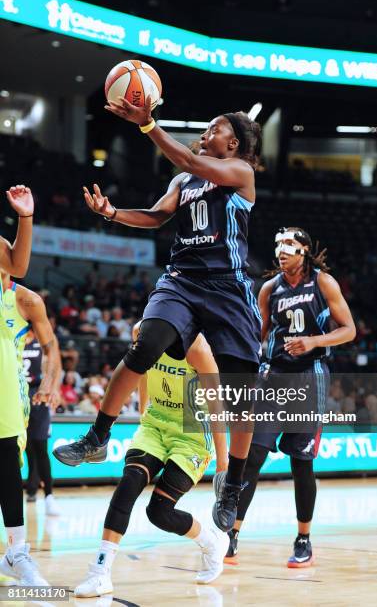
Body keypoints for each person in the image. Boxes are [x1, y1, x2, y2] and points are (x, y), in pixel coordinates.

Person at [54, 95, 263, 532]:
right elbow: (155, 217)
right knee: (146, 343)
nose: (207, 134)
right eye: (205, 128)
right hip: (182, 281)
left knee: (243, 392)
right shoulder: (183, 181)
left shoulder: (240, 173)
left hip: (228, 286)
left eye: (215, 129)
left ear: (235, 145)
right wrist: (112, 213)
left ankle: (233, 483)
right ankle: (97, 437)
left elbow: (192, 160)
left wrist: (149, 125)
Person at [225, 227, 356, 567]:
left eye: (289, 245)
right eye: (278, 245)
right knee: (252, 456)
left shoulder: (323, 282)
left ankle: (303, 538)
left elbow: (349, 329)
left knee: (301, 463)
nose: (281, 250)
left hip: (309, 376)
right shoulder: (269, 288)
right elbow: (259, 334)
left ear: (304, 251)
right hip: (274, 376)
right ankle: (232, 534)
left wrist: (313, 341)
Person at [74, 323, 228, 597]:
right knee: (128, 484)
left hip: (191, 434)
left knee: (159, 512)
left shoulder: (198, 349)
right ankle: (99, 573)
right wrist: (145, 410)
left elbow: (216, 405)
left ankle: (211, 541)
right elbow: (141, 370)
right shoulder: (141, 331)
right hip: (155, 425)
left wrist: (225, 467)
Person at [0, 185, 49, 586]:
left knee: (6, 469)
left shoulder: (22, 298)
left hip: (5, 384)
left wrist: (25, 218)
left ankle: (16, 554)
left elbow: (17, 264)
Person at [20, 325, 61, 514]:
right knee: (22, 448)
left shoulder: (42, 342)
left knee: (40, 447)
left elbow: (53, 366)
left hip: (38, 395)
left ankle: (49, 496)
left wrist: (52, 388)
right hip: (17, 396)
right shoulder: (14, 340)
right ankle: (30, 487)